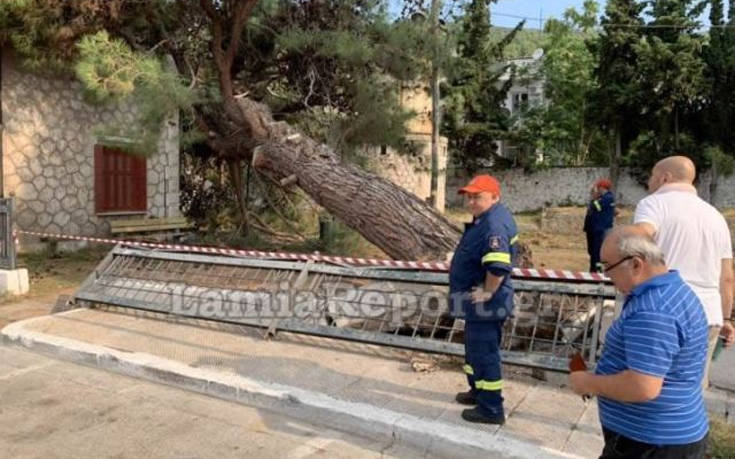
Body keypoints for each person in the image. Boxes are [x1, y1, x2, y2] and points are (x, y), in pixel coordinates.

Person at [569, 226, 709, 458]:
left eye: (607, 267)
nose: (607, 276)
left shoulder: (653, 311)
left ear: (636, 264)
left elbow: (642, 386)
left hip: (650, 443)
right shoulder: (671, 292)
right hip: (663, 437)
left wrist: (588, 383)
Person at [633, 155, 735, 388]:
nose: (649, 182)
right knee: (689, 389)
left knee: (647, 386)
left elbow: (638, 238)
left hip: (662, 312)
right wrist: (726, 319)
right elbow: (727, 277)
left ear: (664, 177)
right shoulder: (716, 217)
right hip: (708, 316)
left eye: (651, 176)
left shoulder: (653, 204)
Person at [449, 174, 518, 425]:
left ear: (495, 197)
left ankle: (491, 408)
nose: (471, 202)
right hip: (474, 304)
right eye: (469, 197)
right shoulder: (485, 219)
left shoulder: (494, 225)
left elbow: (498, 267)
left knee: (485, 354)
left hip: (486, 304)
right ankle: (477, 391)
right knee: (473, 351)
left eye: (477, 197)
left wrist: (487, 292)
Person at [583, 178, 616, 272]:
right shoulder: (603, 198)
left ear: (602, 188)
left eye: (598, 188)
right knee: (592, 251)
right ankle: (594, 268)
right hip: (593, 228)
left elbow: (596, 206)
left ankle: (596, 270)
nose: (597, 190)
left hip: (600, 229)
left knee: (596, 251)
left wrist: (594, 197)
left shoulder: (608, 198)